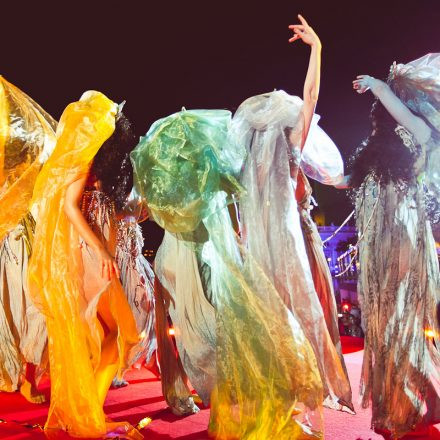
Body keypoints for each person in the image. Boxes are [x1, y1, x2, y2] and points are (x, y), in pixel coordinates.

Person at [131, 104, 323, 438]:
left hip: (172, 263)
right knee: (230, 339)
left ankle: (226, 414)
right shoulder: (208, 177)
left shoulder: (163, 187)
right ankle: (239, 413)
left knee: (208, 342)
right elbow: (238, 203)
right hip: (197, 264)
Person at [233, 15, 353, 412]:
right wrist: (317, 48)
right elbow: (312, 94)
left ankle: (285, 391)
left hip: (264, 245)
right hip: (290, 241)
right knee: (307, 306)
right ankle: (303, 385)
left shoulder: (255, 164)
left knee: (276, 314)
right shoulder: (289, 153)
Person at [28, 91, 143, 439]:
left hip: (97, 252)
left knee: (114, 333)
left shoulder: (96, 162)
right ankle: (88, 413)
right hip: (90, 256)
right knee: (117, 331)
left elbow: (99, 210)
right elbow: (68, 206)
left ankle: (88, 411)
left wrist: (130, 217)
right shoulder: (82, 161)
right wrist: (102, 252)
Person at [346, 58, 440, 437]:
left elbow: (393, 104)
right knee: (383, 322)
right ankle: (407, 399)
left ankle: (411, 403)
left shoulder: (420, 131)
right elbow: (344, 180)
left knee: (401, 318)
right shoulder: (373, 152)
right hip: (376, 241)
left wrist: (376, 83)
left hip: (404, 233)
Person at [0, 76, 56, 403]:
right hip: (10, 250)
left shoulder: (34, 182)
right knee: (10, 310)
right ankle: (17, 374)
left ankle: (29, 378)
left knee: (36, 310)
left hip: (30, 250)